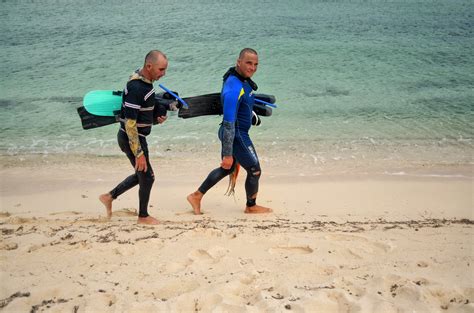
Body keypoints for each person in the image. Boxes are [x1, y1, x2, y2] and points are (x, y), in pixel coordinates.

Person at [187, 48, 272, 215]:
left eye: (256, 64)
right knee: (255, 170)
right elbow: (228, 122)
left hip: (236, 132)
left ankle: (196, 196)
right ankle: (251, 206)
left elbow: (241, 105)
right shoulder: (234, 88)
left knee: (227, 169)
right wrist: (227, 153)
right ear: (238, 62)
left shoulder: (241, 81)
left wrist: (251, 115)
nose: (252, 68)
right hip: (235, 134)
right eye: (248, 63)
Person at [99, 50, 172, 225]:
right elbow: (130, 123)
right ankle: (143, 216)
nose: (164, 74)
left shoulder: (143, 82)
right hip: (132, 138)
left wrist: (155, 119)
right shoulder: (137, 88)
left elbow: (140, 115)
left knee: (143, 175)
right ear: (149, 66)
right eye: (161, 70)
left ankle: (109, 196)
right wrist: (138, 152)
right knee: (147, 177)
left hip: (134, 136)